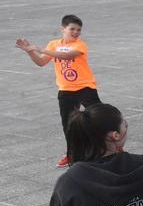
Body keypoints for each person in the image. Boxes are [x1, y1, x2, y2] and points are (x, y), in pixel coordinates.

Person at [14, 14, 102, 168]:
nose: (75, 32)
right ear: (63, 29)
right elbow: (41, 62)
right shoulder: (53, 44)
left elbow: (67, 56)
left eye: (78, 30)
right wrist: (30, 51)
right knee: (68, 124)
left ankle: (111, 148)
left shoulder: (80, 45)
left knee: (99, 117)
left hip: (85, 87)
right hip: (66, 90)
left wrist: (41, 49)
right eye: (72, 29)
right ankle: (72, 154)